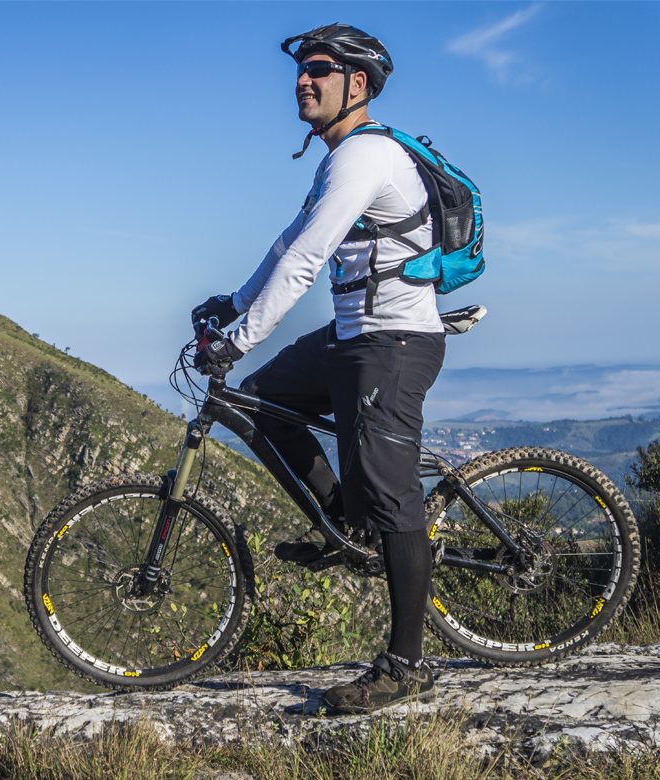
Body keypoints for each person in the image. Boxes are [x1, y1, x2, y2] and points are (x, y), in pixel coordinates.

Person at [191, 23, 445, 714]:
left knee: (395, 496)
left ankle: (405, 665)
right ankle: (347, 524)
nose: (303, 80)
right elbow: (287, 244)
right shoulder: (336, 159)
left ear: (356, 85)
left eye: (320, 70)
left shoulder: (366, 157)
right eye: (301, 70)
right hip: (353, 335)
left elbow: (307, 262)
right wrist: (234, 300)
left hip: (393, 342)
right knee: (258, 405)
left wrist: (236, 338)